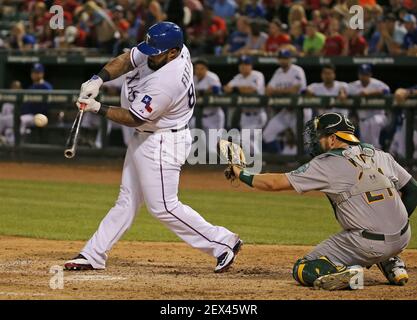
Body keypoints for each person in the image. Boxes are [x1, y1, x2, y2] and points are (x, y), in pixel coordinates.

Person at [64, 22, 242, 273]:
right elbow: (128, 59)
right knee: (127, 200)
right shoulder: (169, 49)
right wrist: (98, 79)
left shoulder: (167, 82)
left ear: (173, 52)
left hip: (161, 141)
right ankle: (93, 254)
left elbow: (136, 117)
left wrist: (97, 108)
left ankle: (223, 242)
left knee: (164, 207)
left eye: (155, 51)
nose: (149, 54)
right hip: (147, 136)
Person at [229, 112, 414, 290]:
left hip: (367, 244)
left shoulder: (326, 163)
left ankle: (353, 275)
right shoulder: (380, 154)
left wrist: (240, 172)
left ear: (333, 139)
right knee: (379, 227)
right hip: (403, 237)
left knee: (302, 268)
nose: (315, 141)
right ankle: (392, 262)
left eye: (320, 136)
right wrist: (397, 225)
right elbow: (413, 191)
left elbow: (274, 184)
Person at [262, 49, 307, 153]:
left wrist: (276, 91)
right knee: (267, 134)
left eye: (285, 58)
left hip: (300, 112)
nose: (283, 61)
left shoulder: (297, 70)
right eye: (281, 58)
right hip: (286, 111)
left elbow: (294, 90)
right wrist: (283, 92)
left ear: (290, 59)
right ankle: (281, 160)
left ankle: (308, 165)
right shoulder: (278, 72)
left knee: (305, 141)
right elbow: (267, 91)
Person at [224, 55, 266, 155]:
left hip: (258, 115)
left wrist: (236, 89)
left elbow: (252, 89)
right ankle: (259, 160)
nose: (243, 67)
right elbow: (226, 88)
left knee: (244, 138)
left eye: (246, 64)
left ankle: (259, 159)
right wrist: (239, 89)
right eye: (241, 65)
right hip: (245, 116)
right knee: (247, 141)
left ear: (251, 66)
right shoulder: (238, 77)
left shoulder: (257, 75)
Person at [347, 64, 390, 148]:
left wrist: (370, 93)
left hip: (379, 117)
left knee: (374, 124)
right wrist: (342, 92)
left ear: (370, 74)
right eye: (362, 74)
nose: (364, 77)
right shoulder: (354, 85)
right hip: (363, 119)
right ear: (358, 75)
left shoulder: (377, 84)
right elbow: (344, 89)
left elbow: (387, 91)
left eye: (366, 74)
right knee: (365, 145)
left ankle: (378, 154)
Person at [193, 59, 225, 154]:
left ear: (206, 69)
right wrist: (204, 91)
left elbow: (216, 90)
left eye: (202, 69)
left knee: (212, 150)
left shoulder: (212, 77)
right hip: (198, 117)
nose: (199, 71)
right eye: (197, 69)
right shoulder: (192, 77)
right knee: (189, 143)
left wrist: (199, 92)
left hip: (214, 117)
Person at [0, 81, 22, 146]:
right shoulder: (7, 99)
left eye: (17, 87)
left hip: (18, 121)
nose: (15, 89)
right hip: (7, 124)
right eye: (14, 87)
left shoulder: (23, 95)